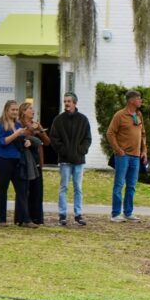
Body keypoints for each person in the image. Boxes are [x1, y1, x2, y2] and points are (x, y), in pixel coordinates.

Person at [50, 92, 92, 226]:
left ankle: (78, 214)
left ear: (75, 103)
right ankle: (62, 215)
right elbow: (54, 139)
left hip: (79, 160)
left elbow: (87, 138)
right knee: (63, 187)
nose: (66, 103)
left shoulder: (83, 120)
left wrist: (81, 150)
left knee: (78, 188)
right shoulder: (58, 120)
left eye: (69, 101)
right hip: (64, 161)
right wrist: (65, 151)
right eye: (65, 101)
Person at [0, 99, 35, 227]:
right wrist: (16, 134)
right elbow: (2, 142)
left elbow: (20, 139)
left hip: (17, 159)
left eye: (16, 110)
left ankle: (24, 219)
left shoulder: (17, 125)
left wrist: (26, 142)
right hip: (3, 159)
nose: (15, 112)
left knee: (22, 189)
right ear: (6, 110)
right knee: (3, 189)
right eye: (13, 110)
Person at [106, 90, 148, 222]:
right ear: (131, 101)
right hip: (123, 156)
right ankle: (115, 214)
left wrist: (144, 150)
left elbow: (143, 134)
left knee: (131, 185)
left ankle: (128, 213)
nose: (141, 101)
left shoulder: (139, 115)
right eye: (139, 99)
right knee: (119, 184)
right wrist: (118, 149)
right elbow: (110, 133)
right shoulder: (120, 115)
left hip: (136, 156)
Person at [17, 102, 50, 225]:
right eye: (30, 109)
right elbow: (21, 136)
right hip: (25, 160)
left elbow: (47, 142)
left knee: (37, 190)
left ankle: (37, 217)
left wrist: (40, 131)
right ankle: (24, 217)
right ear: (24, 111)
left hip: (37, 160)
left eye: (33, 109)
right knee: (26, 190)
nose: (33, 111)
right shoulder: (19, 123)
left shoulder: (37, 124)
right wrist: (32, 130)